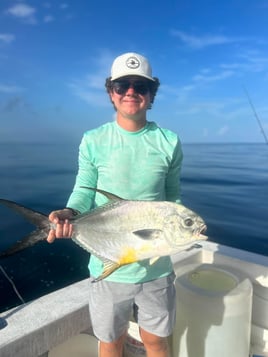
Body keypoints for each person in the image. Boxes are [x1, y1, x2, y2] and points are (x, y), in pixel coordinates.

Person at [47, 52, 183, 357]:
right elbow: (83, 191)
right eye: (122, 85)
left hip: (156, 267)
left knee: (157, 342)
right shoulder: (93, 140)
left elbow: (172, 199)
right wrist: (69, 215)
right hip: (108, 267)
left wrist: (178, 233)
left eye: (141, 86)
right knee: (111, 342)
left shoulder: (169, 141)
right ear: (111, 92)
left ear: (151, 95)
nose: (131, 92)